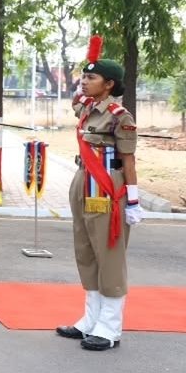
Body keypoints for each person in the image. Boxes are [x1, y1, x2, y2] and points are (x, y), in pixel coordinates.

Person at [56, 36, 142, 351]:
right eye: (84, 76)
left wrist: (133, 200)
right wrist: (88, 60)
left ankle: (110, 326)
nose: (84, 81)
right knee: (86, 251)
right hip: (83, 180)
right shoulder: (88, 107)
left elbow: (128, 161)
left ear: (109, 84)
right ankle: (90, 319)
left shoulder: (120, 116)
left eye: (91, 77)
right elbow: (75, 99)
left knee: (109, 254)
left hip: (107, 185)